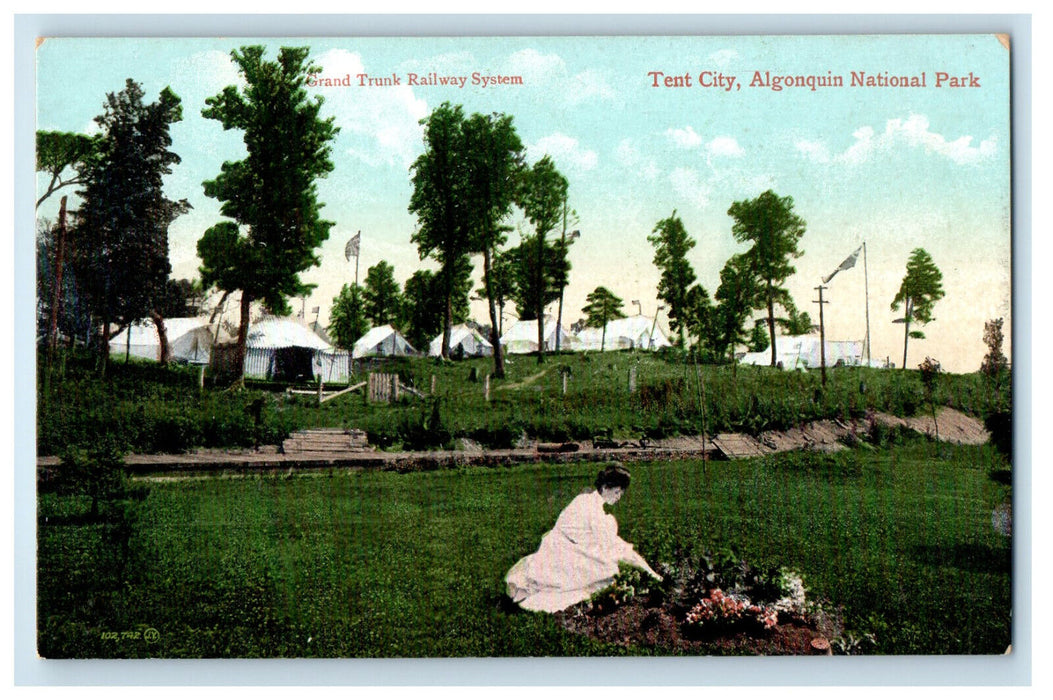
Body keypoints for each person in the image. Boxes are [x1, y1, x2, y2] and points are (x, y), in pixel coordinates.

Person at [505, 463, 662, 613]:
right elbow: (615, 547)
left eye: (621, 493)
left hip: (555, 547)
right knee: (610, 568)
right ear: (605, 487)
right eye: (617, 492)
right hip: (564, 553)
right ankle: (654, 576)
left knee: (609, 561)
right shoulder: (595, 513)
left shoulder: (584, 499)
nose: (619, 497)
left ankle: (651, 574)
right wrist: (649, 572)